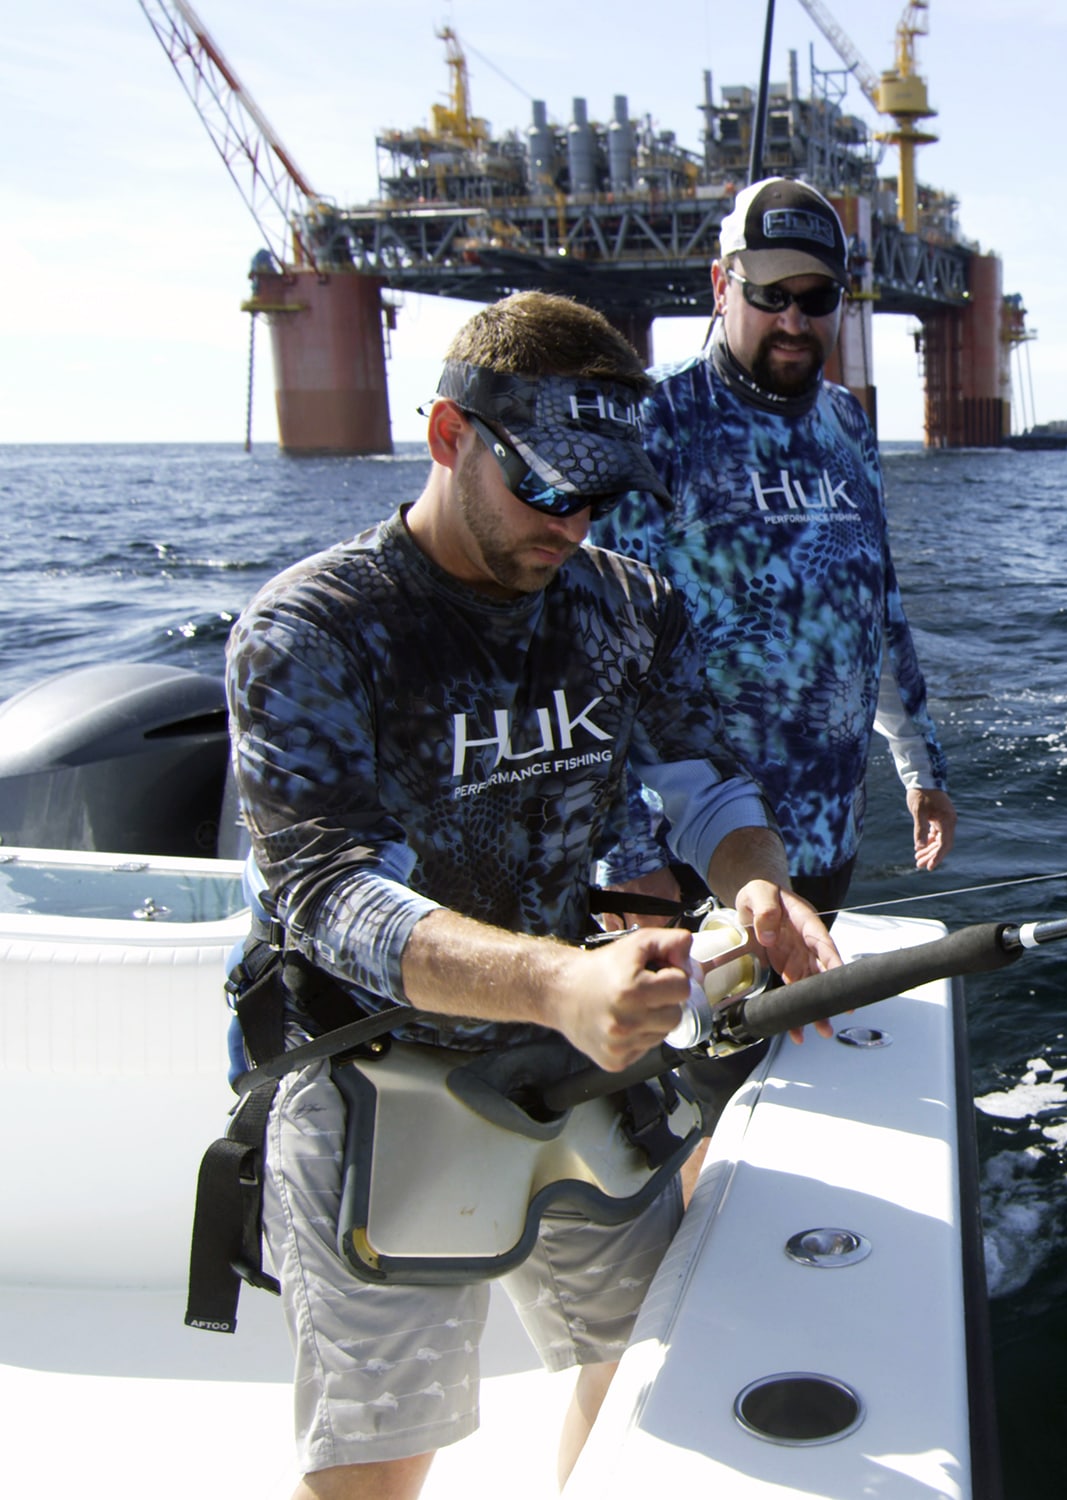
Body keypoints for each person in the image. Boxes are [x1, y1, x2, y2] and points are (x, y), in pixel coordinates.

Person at [223, 290, 839, 1499]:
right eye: (548, 488)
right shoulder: (310, 632)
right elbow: (327, 891)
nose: (577, 523)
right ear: (449, 436)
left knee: (655, 1354)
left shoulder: (625, 605)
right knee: (379, 1459)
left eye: (602, 497)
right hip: (365, 1066)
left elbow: (703, 777)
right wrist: (555, 979)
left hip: (568, 1051)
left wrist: (759, 884)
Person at [591, 176, 956, 922]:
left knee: (801, 1031)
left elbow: (874, 605)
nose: (793, 318)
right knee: (708, 1041)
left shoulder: (847, 423)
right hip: (688, 861)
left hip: (828, 841)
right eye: (767, 293)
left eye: (816, 297)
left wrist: (920, 763)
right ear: (723, 285)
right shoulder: (652, 421)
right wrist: (629, 857)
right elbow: (588, 655)